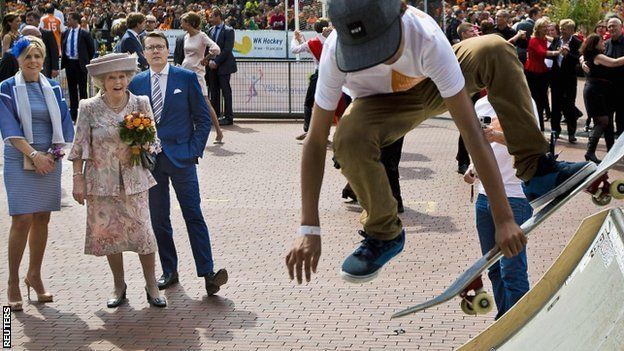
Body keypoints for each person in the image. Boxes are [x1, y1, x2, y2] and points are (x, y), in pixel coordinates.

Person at [285, 0, 593, 284]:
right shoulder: (335, 55)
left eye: (383, 47)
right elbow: (314, 141)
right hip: (378, 107)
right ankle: (384, 233)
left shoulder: (424, 34)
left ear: (401, 14)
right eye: (365, 52)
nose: (376, 58)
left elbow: (472, 132)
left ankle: (536, 169)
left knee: (494, 48)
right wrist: (309, 228)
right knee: (347, 137)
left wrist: (504, 218)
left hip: (431, 84)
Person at [128, 32, 228, 296]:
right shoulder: (136, 83)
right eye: (150, 48)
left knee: (193, 214)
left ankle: (208, 272)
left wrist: (193, 150)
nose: (156, 51)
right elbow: (131, 122)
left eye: (160, 46)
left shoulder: (185, 77)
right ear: (144, 53)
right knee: (159, 219)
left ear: (168, 50)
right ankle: (169, 271)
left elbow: (203, 118)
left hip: (182, 159)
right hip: (151, 163)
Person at [69, 53, 166, 308]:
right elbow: (79, 147)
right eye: (112, 77)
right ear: (102, 80)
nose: (118, 81)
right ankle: (119, 285)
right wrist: (77, 180)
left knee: (143, 233)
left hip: (135, 180)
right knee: (111, 236)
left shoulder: (140, 103)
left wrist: (141, 142)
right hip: (101, 181)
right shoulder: (88, 107)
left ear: (129, 77)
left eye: (122, 76)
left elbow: (155, 141)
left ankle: (152, 284)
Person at [0, 36, 74, 311]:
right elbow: (9, 130)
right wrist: (34, 155)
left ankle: (34, 275)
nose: (33, 61)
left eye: (37, 56)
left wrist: (54, 153)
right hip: (21, 157)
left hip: (49, 160)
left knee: (42, 217)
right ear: (17, 60)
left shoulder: (53, 87)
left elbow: (65, 123)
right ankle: (12, 282)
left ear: (44, 60)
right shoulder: (6, 88)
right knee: (22, 219)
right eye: (27, 57)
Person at [463, 96, 533, 319]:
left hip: (515, 197)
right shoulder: (480, 104)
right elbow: (482, 144)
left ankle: (520, 327)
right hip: (485, 196)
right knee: (493, 267)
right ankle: (504, 321)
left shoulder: (523, 100)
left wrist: (496, 135)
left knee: (512, 271)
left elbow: (532, 143)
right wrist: (474, 167)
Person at [180, 12, 223, 143]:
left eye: (183, 22)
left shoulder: (202, 35)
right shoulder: (186, 36)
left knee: (205, 102)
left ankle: (219, 132)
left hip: (197, 73)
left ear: (189, 23)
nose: (181, 24)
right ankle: (186, 131)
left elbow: (216, 49)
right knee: (184, 101)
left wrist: (206, 58)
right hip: (184, 71)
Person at [580, 34, 624, 163]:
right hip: (595, 92)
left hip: (597, 91)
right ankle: (590, 151)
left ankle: (591, 151)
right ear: (595, 44)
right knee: (602, 121)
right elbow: (615, 62)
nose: (604, 43)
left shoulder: (589, 55)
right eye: (601, 41)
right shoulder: (597, 56)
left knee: (602, 121)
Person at [290, 18, 331, 140]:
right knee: (329, 106)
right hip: (332, 75)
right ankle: (325, 133)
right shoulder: (333, 40)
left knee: (308, 103)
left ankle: (308, 129)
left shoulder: (312, 43)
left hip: (319, 75)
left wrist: (295, 39)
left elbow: (295, 50)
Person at [549, 19, 582, 143]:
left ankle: (571, 133)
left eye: (565, 29)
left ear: (572, 30)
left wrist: (568, 54)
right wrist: (556, 52)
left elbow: (579, 58)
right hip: (556, 78)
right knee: (556, 105)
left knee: (569, 106)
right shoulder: (557, 40)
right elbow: (549, 54)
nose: (562, 31)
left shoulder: (577, 42)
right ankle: (555, 131)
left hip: (569, 79)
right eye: (561, 28)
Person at [525, 18, 561, 132]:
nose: (547, 29)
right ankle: (539, 126)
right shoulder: (534, 40)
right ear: (538, 28)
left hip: (543, 72)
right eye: (544, 27)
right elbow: (542, 52)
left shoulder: (545, 38)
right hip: (533, 72)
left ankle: (540, 125)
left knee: (542, 99)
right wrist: (558, 52)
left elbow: (556, 39)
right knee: (536, 100)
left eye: (547, 27)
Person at [61, 12, 95, 121]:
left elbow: (91, 49)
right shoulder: (66, 33)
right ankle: (74, 113)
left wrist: (85, 60)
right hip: (70, 63)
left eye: (70, 19)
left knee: (82, 88)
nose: (68, 21)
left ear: (76, 20)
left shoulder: (84, 33)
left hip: (80, 64)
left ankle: (84, 112)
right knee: (71, 89)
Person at [207, 8, 238, 126]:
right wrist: (209, 60)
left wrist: (217, 62)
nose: (210, 19)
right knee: (213, 92)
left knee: (226, 92)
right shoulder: (210, 30)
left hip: (224, 66)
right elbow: (208, 48)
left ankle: (228, 117)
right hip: (211, 67)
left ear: (218, 16)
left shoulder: (229, 30)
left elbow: (227, 49)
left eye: (212, 17)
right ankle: (216, 116)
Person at [24, 12, 59, 79]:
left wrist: (55, 68)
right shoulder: (24, 34)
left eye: (31, 20)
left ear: (38, 21)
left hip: (45, 67)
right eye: (27, 20)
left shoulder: (47, 33)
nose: (28, 23)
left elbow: (54, 51)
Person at [0, 12, 21, 82]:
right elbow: (5, 54)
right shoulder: (8, 36)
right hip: (10, 67)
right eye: (17, 21)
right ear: (9, 23)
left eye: (20, 21)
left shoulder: (19, 34)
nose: (19, 23)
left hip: (18, 64)